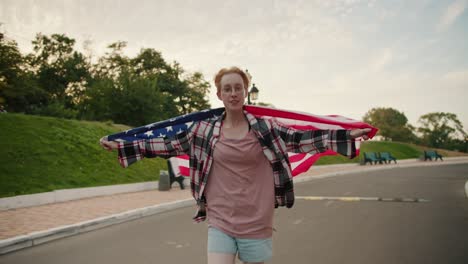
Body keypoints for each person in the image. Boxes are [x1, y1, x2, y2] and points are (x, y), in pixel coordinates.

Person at [100, 66, 371, 264]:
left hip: (256, 219)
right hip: (220, 219)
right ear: (219, 95)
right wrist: (124, 144)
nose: (233, 93)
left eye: (238, 87)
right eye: (227, 89)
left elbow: (302, 139)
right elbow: (168, 143)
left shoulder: (265, 128)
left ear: (245, 92)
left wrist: (345, 135)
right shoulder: (204, 130)